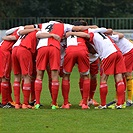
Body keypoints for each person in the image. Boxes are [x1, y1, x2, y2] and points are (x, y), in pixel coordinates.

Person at [34, 21, 98, 109]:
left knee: (58, 76)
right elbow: (88, 36)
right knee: (85, 76)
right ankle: (84, 103)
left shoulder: (46, 26)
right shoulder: (70, 28)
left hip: (64, 52)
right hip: (78, 50)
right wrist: (93, 27)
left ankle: (64, 103)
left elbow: (32, 31)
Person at [85, 31, 127, 109]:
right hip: (118, 52)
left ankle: (103, 104)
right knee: (119, 78)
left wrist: (72, 33)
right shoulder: (105, 35)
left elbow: (86, 36)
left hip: (108, 54)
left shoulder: (92, 34)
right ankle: (119, 104)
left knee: (103, 79)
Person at [61, 30, 91, 109]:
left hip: (70, 50)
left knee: (66, 75)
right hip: (82, 50)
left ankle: (66, 103)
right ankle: (84, 103)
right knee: (85, 76)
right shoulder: (83, 34)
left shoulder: (66, 33)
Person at [108, 31, 133, 107]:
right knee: (120, 74)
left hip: (128, 52)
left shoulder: (108, 36)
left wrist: (112, 33)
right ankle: (119, 98)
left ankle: (129, 100)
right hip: (123, 53)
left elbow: (121, 35)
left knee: (125, 74)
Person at [0, 26, 23, 108]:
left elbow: (7, 33)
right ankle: (4, 102)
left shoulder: (14, 30)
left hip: (2, 51)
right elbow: (13, 37)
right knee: (4, 78)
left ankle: (8, 100)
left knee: (4, 77)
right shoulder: (21, 30)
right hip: (5, 53)